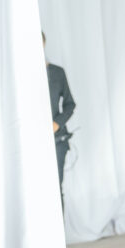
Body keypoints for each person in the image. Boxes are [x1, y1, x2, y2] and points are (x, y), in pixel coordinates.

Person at [43, 32, 75, 213]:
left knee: (55, 188)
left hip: (57, 140)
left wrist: (57, 123)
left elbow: (70, 104)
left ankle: (59, 230)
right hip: (32, 142)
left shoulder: (57, 73)